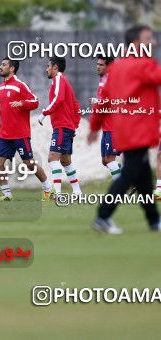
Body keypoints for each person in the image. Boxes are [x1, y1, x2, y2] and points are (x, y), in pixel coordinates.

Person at [93, 25, 161, 234]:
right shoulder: (143, 64)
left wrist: (93, 126)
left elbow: (104, 101)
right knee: (129, 174)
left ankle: (154, 221)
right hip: (138, 130)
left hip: (123, 130)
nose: (154, 42)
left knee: (143, 179)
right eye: (149, 38)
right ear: (136, 43)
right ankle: (103, 217)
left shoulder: (116, 67)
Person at [0, 57, 52, 201]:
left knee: (29, 164)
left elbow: (34, 102)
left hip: (20, 134)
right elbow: (4, 108)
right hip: (4, 135)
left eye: (4, 64)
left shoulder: (20, 85)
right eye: (1, 64)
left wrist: (21, 103)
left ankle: (49, 189)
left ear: (12, 68)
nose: (0, 66)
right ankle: (7, 195)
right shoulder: (1, 87)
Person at [38, 57, 82, 199]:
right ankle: (77, 193)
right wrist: (74, 126)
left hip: (62, 127)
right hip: (66, 127)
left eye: (48, 66)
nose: (46, 69)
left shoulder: (58, 79)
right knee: (65, 161)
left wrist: (44, 113)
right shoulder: (66, 82)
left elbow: (59, 99)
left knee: (52, 158)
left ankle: (57, 193)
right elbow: (76, 107)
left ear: (55, 67)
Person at [87, 55, 121, 181]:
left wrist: (98, 101)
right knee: (104, 161)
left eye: (101, 65)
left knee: (110, 160)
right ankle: (129, 178)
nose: (97, 67)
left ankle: (120, 190)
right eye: (97, 64)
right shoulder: (103, 80)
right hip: (106, 127)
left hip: (115, 127)